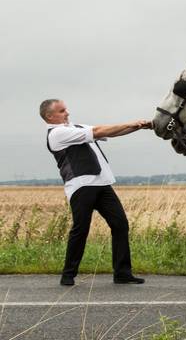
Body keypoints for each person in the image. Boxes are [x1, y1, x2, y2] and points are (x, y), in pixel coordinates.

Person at [40, 98, 152, 286]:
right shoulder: (57, 134)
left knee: (120, 224)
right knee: (81, 229)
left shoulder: (76, 127)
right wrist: (132, 123)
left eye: (65, 109)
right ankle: (68, 274)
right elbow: (99, 131)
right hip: (81, 186)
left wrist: (139, 126)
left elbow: (112, 131)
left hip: (102, 183)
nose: (67, 112)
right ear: (49, 117)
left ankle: (122, 273)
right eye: (61, 111)